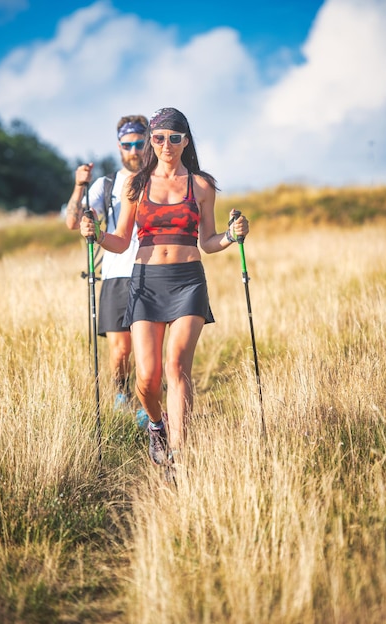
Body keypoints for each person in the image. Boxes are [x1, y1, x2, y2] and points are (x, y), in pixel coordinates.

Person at [80, 107, 249, 469]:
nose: (166, 144)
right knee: (147, 378)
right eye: (159, 138)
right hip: (145, 283)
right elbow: (122, 241)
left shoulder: (201, 185)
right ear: (151, 142)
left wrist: (233, 237)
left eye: (175, 138)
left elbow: (208, 241)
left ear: (186, 141)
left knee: (176, 367)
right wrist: (95, 234)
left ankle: (177, 456)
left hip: (188, 283)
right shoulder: (135, 186)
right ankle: (156, 424)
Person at [66, 114, 149, 427]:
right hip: (115, 273)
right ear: (119, 147)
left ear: (148, 142)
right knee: (120, 350)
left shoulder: (159, 179)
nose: (134, 150)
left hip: (150, 272)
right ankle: (120, 394)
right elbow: (73, 222)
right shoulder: (107, 184)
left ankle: (147, 404)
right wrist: (79, 186)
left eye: (139, 143)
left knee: (145, 346)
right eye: (127, 145)